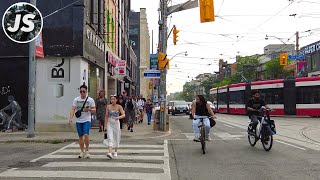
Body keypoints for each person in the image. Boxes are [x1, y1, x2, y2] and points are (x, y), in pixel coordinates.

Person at [69, 84, 96, 159]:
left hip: (87, 119)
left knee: (86, 134)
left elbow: (94, 109)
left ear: (86, 92)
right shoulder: (76, 99)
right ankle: (82, 151)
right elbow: (73, 109)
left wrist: (90, 110)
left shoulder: (90, 100)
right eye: (81, 91)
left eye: (84, 91)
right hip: (78, 120)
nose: (82, 93)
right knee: (80, 136)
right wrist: (71, 118)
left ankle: (87, 150)